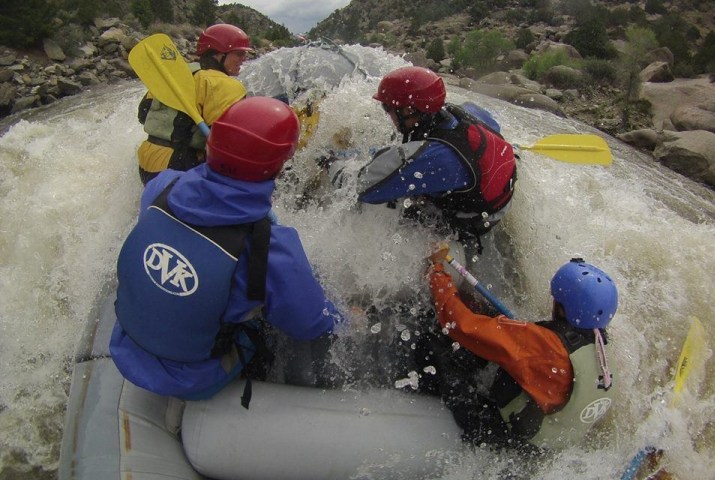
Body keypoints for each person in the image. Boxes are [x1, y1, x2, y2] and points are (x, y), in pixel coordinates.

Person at [111, 97, 345, 404]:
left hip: (125, 346)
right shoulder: (272, 248)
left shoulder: (162, 186)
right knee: (283, 318)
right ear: (279, 165)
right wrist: (346, 318)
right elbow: (310, 323)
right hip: (198, 377)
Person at [418, 248, 618, 451]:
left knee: (440, 352)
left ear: (561, 308)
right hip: (555, 437)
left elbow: (459, 324)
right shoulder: (600, 342)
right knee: (494, 325)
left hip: (512, 438)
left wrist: (436, 271)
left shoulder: (544, 346)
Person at [353, 66, 517, 254]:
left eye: (387, 107)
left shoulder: (438, 158)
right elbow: (494, 125)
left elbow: (363, 187)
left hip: (474, 220)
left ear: (409, 110)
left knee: (391, 206)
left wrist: (330, 163)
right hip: (497, 198)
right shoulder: (456, 113)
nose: (387, 114)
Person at [136, 24, 253, 185]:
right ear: (218, 55)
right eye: (239, 54)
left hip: (146, 160)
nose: (244, 59)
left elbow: (143, 114)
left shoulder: (174, 75)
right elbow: (227, 142)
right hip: (177, 166)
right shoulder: (224, 85)